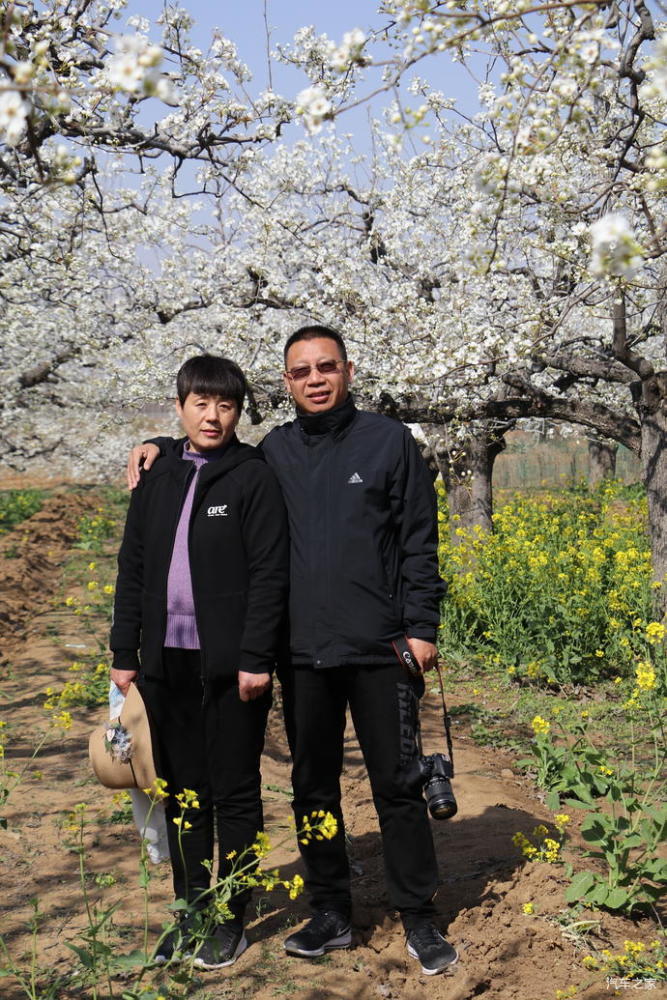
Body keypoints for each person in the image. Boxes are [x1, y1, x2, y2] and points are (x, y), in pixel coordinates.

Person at [127, 327, 458, 976]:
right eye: (300, 370)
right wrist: (160, 444)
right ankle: (331, 909)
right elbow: (213, 453)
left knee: (397, 786)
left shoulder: (389, 442)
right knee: (312, 789)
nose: (314, 378)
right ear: (285, 383)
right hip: (301, 654)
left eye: (325, 367)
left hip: (380, 648)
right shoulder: (274, 450)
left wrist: (421, 627)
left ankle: (419, 915)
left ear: (346, 371)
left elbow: (420, 540)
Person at [112, 354, 288, 970]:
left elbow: (270, 572)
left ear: (239, 411)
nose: (213, 416)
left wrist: (255, 655)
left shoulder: (252, 476)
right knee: (182, 792)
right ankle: (190, 913)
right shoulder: (157, 475)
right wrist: (122, 650)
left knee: (235, 792)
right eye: (201, 403)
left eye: (227, 405)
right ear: (181, 405)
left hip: (233, 664)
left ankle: (229, 919)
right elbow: (133, 564)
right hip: (165, 662)